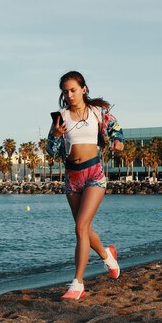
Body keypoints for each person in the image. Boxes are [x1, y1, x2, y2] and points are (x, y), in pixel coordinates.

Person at [46, 71, 125, 300]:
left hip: (94, 174)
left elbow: (117, 132)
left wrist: (118, 142)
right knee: (85, 229)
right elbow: (51, 151)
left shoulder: (98, 113)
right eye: (65, 91)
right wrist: (55, 134)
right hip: (72, 177)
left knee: (80, 227)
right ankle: (108, 255)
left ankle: (77, 283)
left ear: (84, 89)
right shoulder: (61, 117)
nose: (69, 95)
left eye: (73, 89)